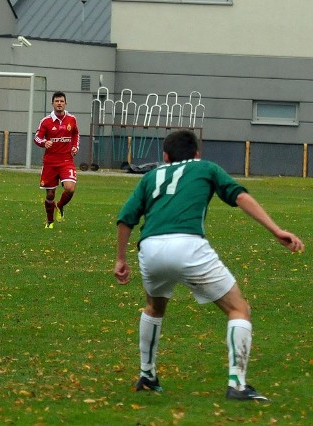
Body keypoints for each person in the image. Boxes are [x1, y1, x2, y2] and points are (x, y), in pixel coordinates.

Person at [113, 129, 304, 400]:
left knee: (154, 308)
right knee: (238, 309)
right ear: (197, 154)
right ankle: (237, 385)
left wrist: (121, 259)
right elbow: (240, 196)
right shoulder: (206, 167)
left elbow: (126, 218)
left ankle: (147, 374)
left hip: (151, 247)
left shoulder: (151, 175)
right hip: (189, 246)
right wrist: (276, 230)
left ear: (165, 156)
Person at [34, 91, 79, 229]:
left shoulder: (72, 119)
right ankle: (50, 222)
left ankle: (59, 206)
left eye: (62, 101)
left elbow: (76, 133)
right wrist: (44, 142)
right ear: (52, 103)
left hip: (66, 161)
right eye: (57, 101)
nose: (59, 103)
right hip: (50, 163)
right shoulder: (46, 121)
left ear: (65, 103)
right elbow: (37, 138)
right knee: (50, 194)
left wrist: (75, 147)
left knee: (70, 189)